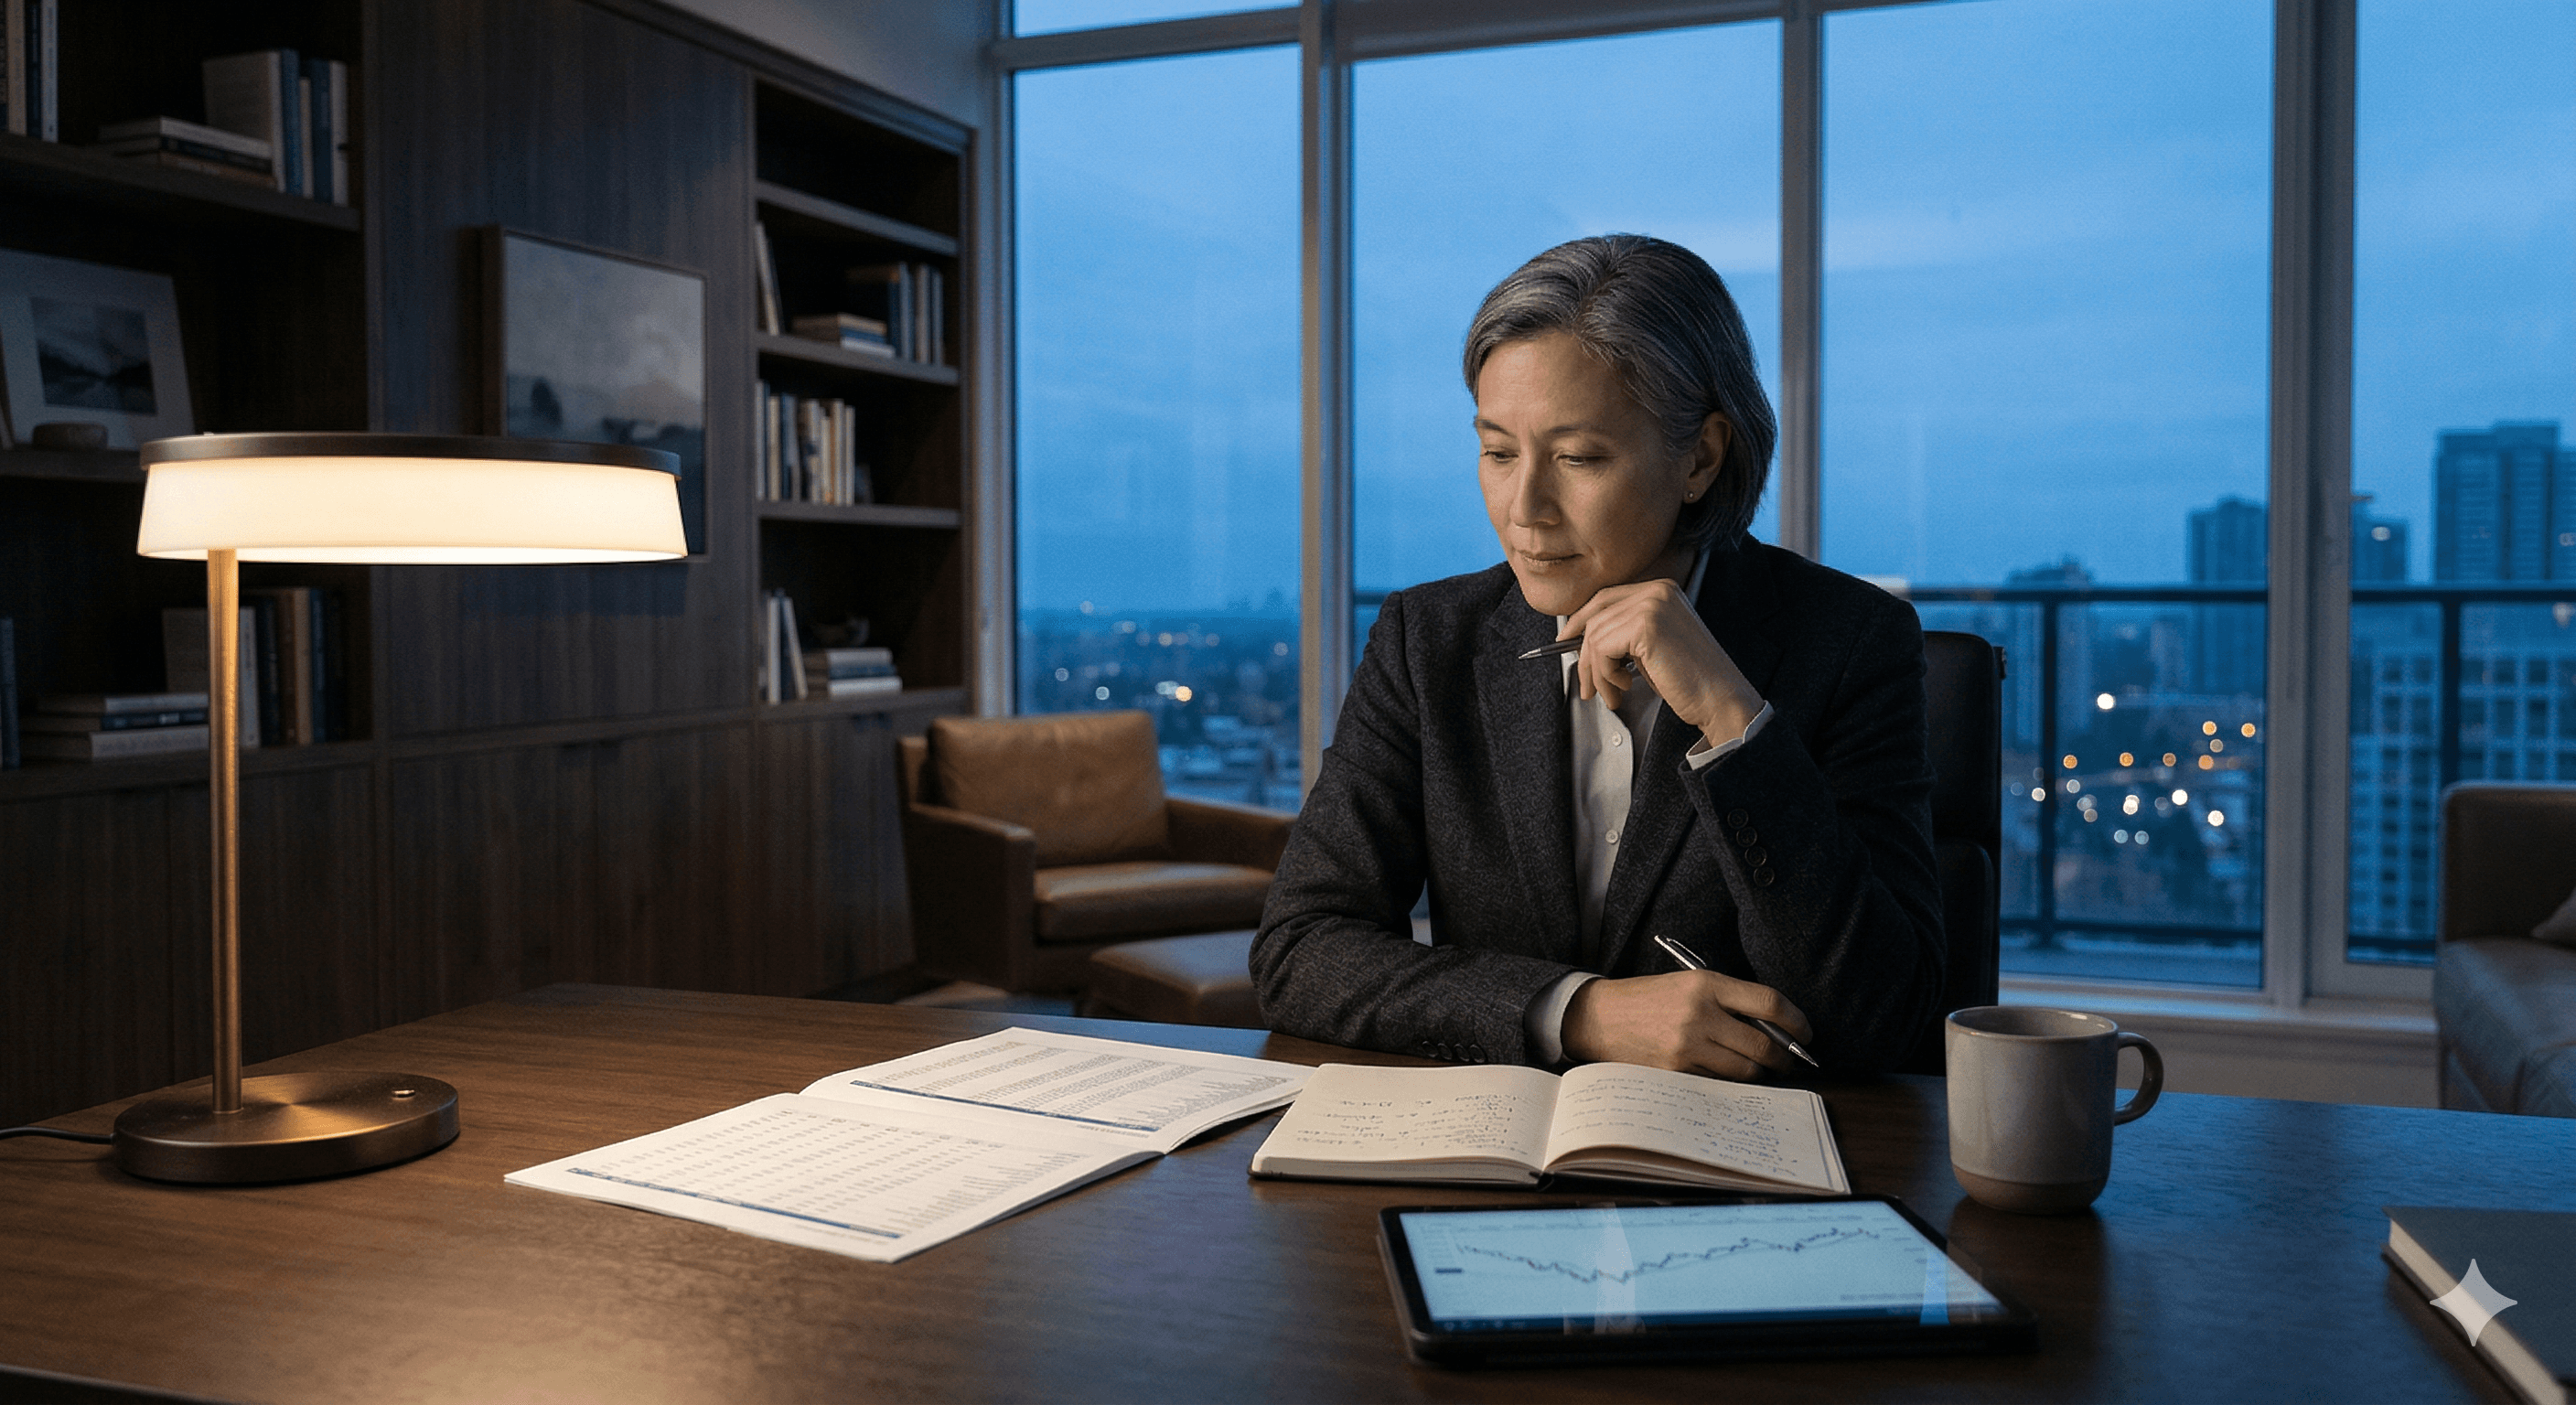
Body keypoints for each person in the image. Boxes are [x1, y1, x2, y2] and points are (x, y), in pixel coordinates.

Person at [1250, 233, 1945, 1078]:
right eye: (1498, 452)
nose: (1524, 508)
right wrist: (1577, 1013)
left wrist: (1735, 722)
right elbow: (1302, 951)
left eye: (1578, 458)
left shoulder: (1851, 640)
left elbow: (1891, 1018)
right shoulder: (1426, 640)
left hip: (1748, 1171)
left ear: (1700, 457)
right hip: (1487, 1158)